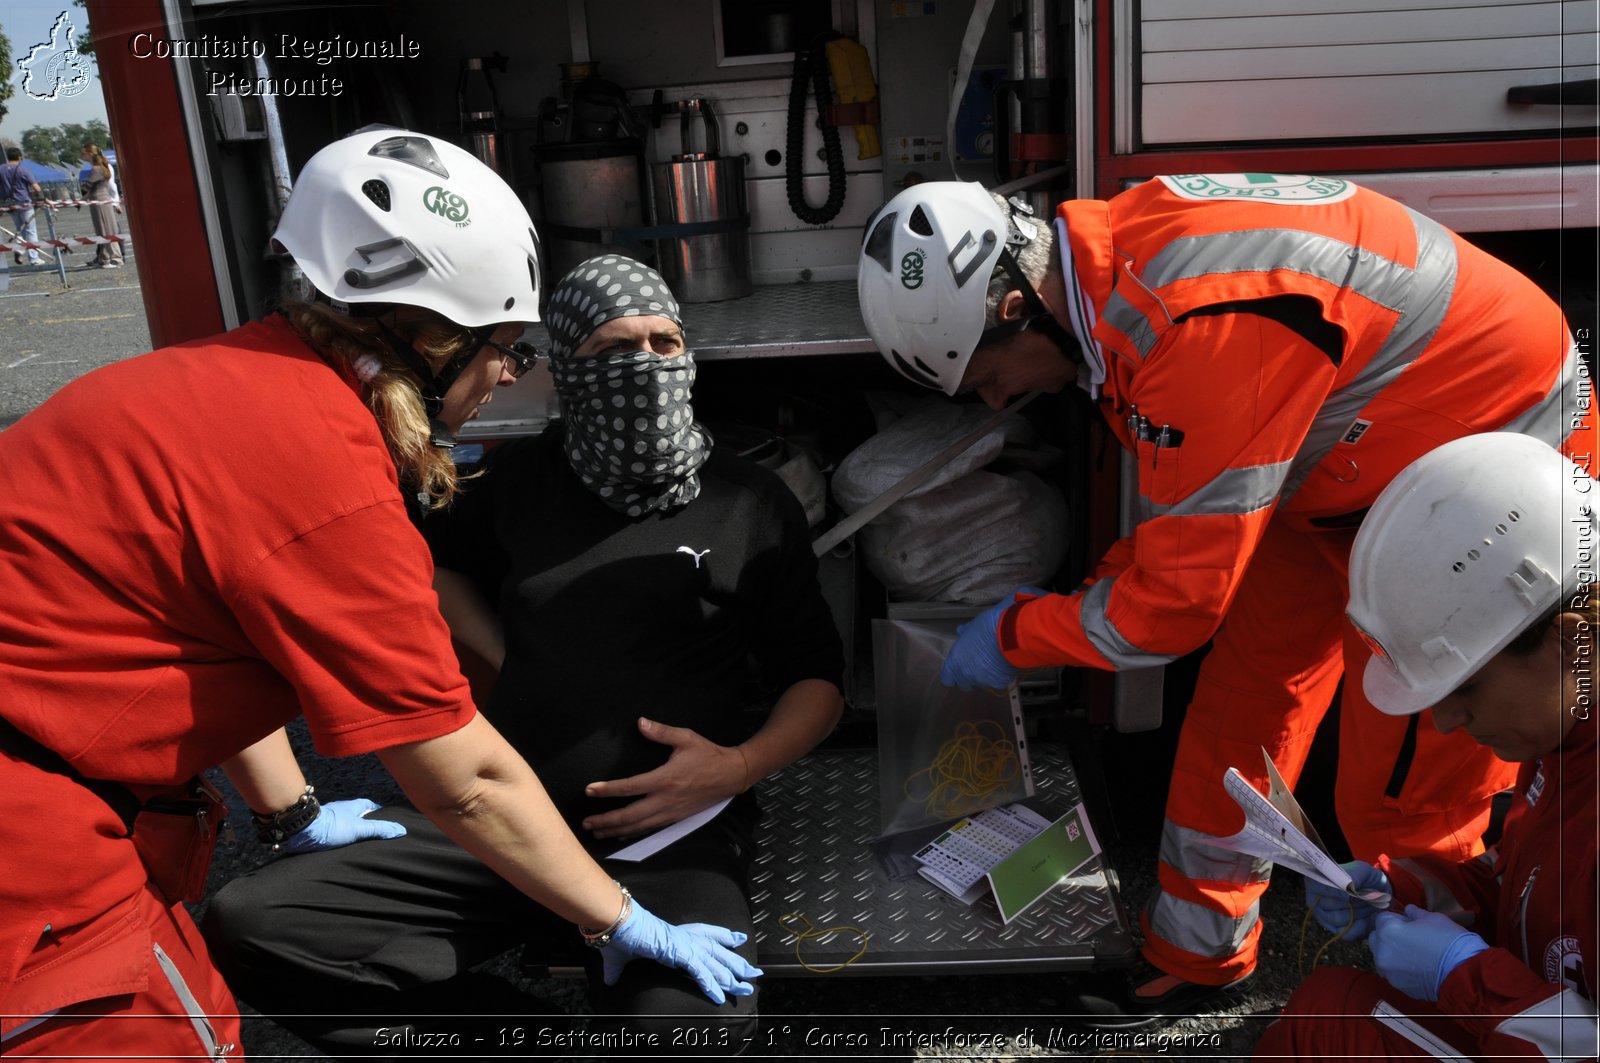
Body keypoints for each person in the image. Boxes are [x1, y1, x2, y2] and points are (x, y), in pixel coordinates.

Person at [0, 130, 757, 1061]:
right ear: (436, 341)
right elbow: (467, 781)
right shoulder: (322, 469)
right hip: (25, 834)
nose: (504, 379)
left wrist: (291, 812)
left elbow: (201, 627)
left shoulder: (225, 386)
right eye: (505, 352)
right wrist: (617, 919)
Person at [855, 175, 1592, 1020]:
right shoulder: (1114, 285)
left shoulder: (1198, 322)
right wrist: (1094, 593)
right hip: (1346, 468)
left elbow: (1172, 608)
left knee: (1400, 782)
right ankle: (1198, 952)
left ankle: (1448, 997)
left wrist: (1021, 632)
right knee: (1243, 702)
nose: (996, 398)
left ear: (1018, 305)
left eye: (987, 374)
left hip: (1489, 478)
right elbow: (1186, 526)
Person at [201, 254, 846, 1056]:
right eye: (613, 351)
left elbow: (819, 681)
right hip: (506, 821)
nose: (645, 369)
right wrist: (506, 649)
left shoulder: (748, 502)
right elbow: (427, 565)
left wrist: (737, 767)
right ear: (566, 369)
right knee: (256, 924)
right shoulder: (518, 480)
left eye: (664, 344)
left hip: (663, 836)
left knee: (692, 1032)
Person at [1254, 432, 1597, 1059]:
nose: (1443, 720)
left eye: (1465, 684)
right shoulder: (1567, 734)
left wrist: (1462, 976)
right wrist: (1404, 890)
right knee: (1327, 1016)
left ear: (1565, 642)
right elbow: (1526, 885)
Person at [79, 143, 123, 269]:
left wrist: (82, 194)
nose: (83, 156)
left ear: (90, 154)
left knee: (106, 230)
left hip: (100, 202)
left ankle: (116, 258)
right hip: (99, 200)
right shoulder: (103, 167)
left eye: (84, 154)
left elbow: (86, 187)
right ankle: (104, 257)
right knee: (102, 231)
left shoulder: (96, 169)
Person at [1, 147, 44, 266]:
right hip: (24, 203)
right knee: (30, 231)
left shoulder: (1, 169)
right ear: (20, 157)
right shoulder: (23, 170)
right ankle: (33, 258)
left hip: (9, 204)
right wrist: (36, 195)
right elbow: (37, 188)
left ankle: (20, 249)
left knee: (20, 229)